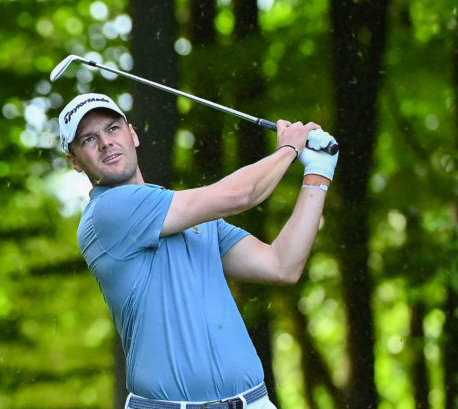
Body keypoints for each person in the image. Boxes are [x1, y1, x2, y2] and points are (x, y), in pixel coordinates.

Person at [58, 93, 338, 409]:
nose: (105, 143)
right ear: (74, 161)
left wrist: (318, 173)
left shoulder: (189, 215)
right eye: (88, 139)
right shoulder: (107, 214)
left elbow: (280, 265)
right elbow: (241, 195)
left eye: (112, 129)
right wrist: (289, 148)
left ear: (132, 134)